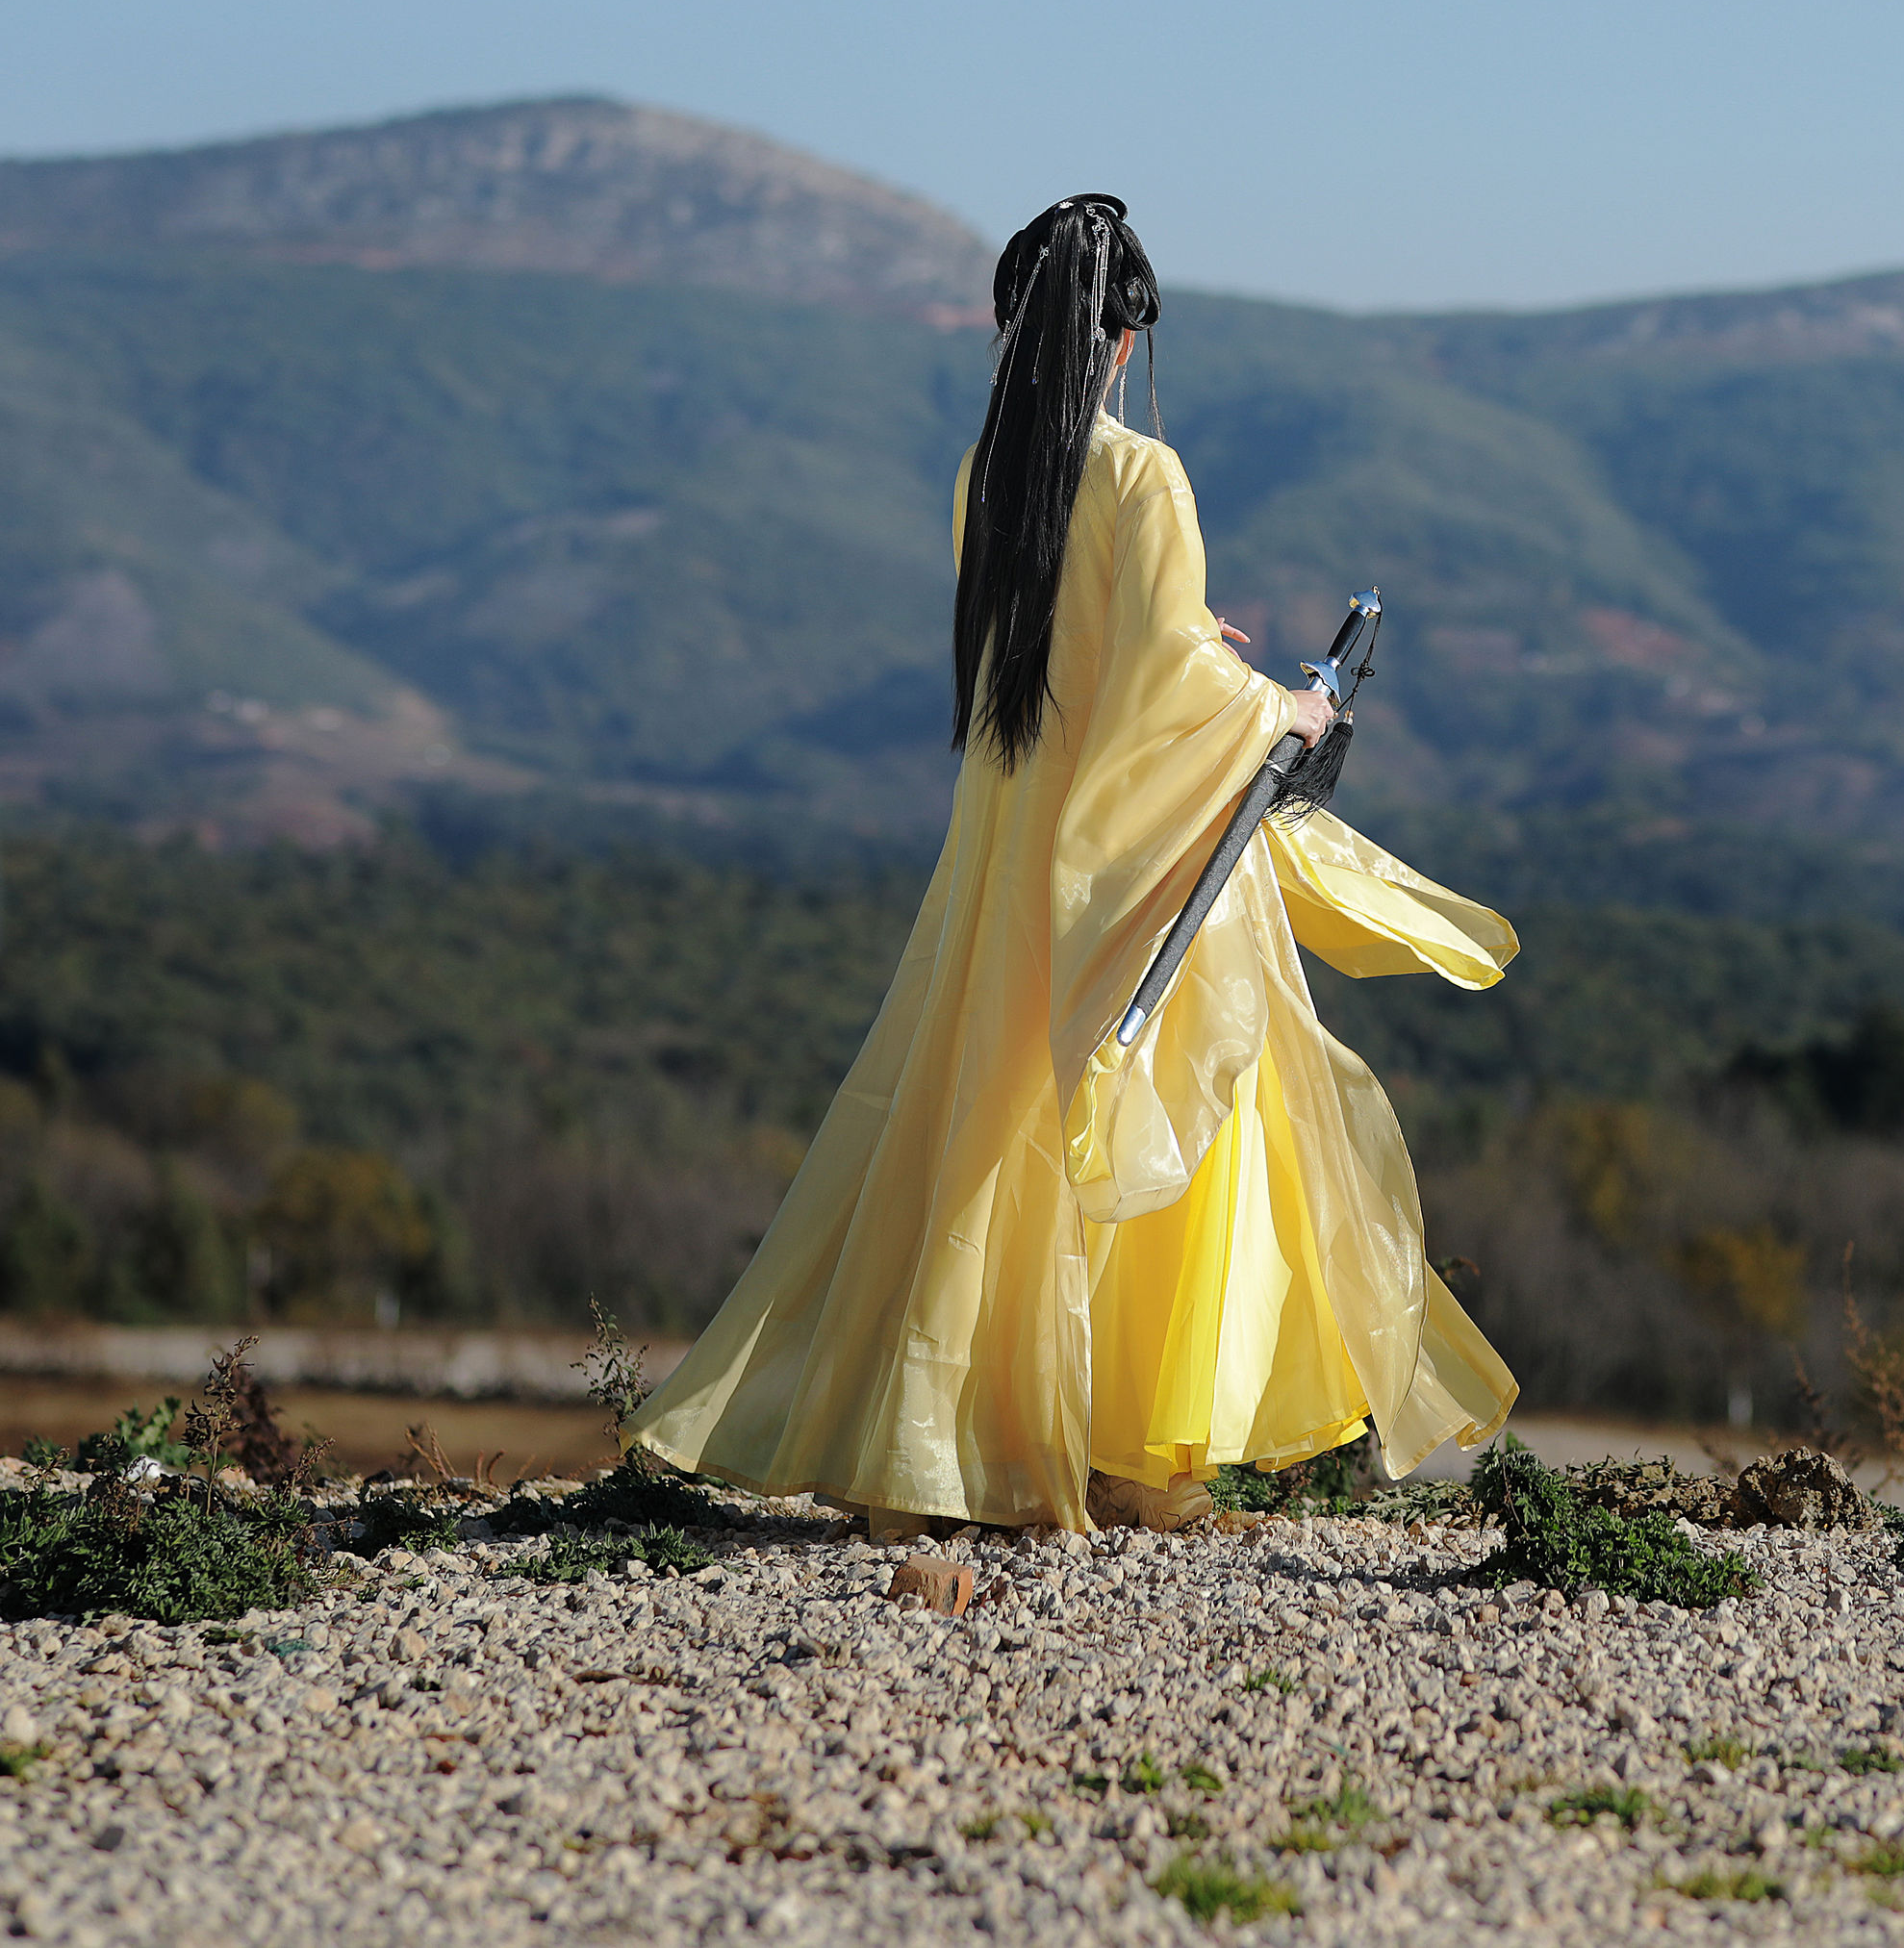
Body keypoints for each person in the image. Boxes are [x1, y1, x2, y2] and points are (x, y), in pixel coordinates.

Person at [624, 193, 1522, 1535]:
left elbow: (1060, 664)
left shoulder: (985, 476)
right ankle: (1137, 1458)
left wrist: (1189, 652)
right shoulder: (1144, 474)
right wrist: (1288, 706)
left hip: (1006, 860)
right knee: (1198, 1124)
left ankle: (936, 1455)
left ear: (1010, 325)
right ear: (1120, 339)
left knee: (985, 1130)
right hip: (1130, 861)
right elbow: (1165, 678)